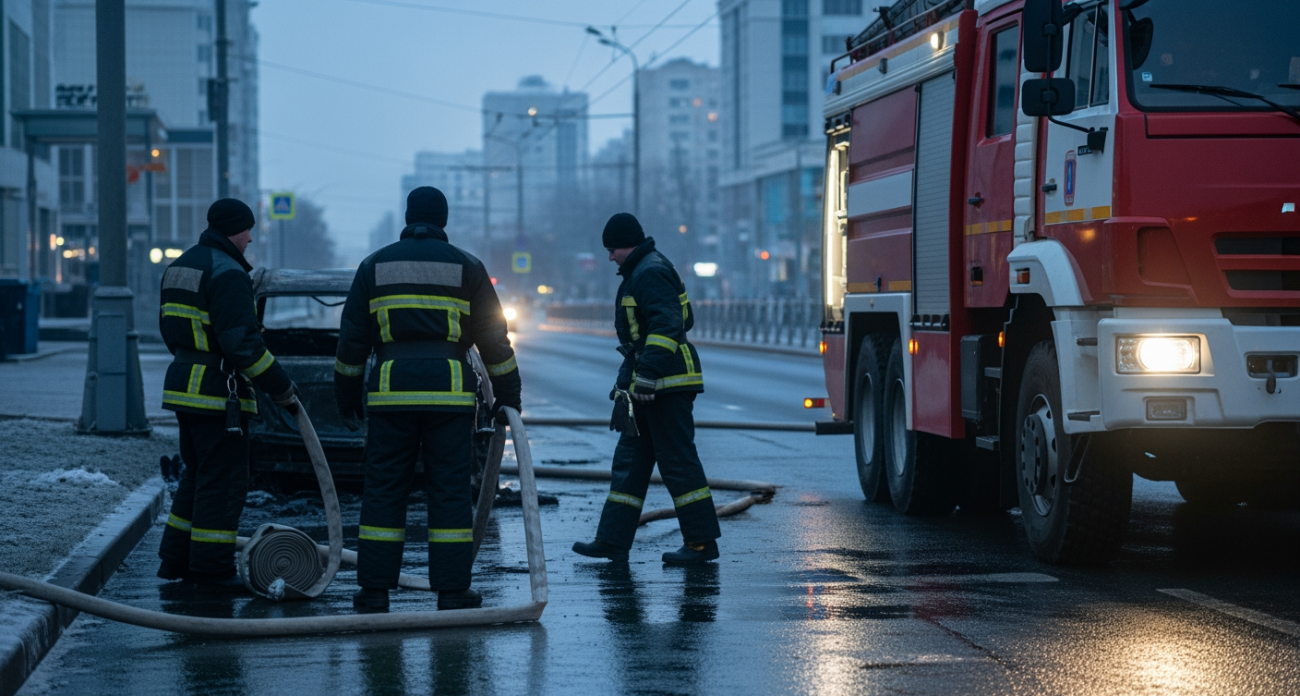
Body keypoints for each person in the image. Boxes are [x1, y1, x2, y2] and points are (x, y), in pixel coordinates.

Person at [336, 186, 521, 612]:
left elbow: (352, 342)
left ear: (407, 217)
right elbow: (494, 340)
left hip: (390, 394)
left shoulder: (374, 265)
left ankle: (374, 590)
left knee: (383, 489)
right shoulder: (467, 267)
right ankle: (453, 590)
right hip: (449, 396)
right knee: (449, 491)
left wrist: (345, 396)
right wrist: (508, 397)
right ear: (444, 220)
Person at [157, 198, 299, 588]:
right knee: (223, 484)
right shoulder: (229, 273)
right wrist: (284, 390)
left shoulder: (180, 267)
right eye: (248, 230)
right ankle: (211, 570)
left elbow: (170, 332)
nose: (251, 238)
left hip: (185, 390)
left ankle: (175, 558)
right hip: (219, 396)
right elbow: (243, 346)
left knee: (198, 475)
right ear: (235, 229)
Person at [573, 213, 721, 565]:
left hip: (665, 383)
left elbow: (667, 323)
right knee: (630, 462)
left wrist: (649, 373)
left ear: (628, 244)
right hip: (649, 383)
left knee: (678, 463)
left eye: (612, 250)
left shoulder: (650, 272)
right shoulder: (641, 270)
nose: (610, 257)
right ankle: (612, 541)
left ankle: (701, 544)